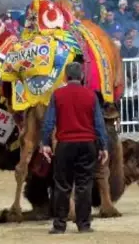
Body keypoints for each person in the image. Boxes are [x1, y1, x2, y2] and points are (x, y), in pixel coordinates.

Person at [41, 62, 109, 234]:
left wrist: (46, 144)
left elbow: (49, 123)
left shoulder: (57, 95)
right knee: (84, 185)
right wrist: (103, 146)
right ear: (82, 77)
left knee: (62, 185)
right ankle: (84, 224)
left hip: (65, 144)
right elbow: (99, 124)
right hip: (87, 144)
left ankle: (59, 225)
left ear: (65, 77)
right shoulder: (91, 95)